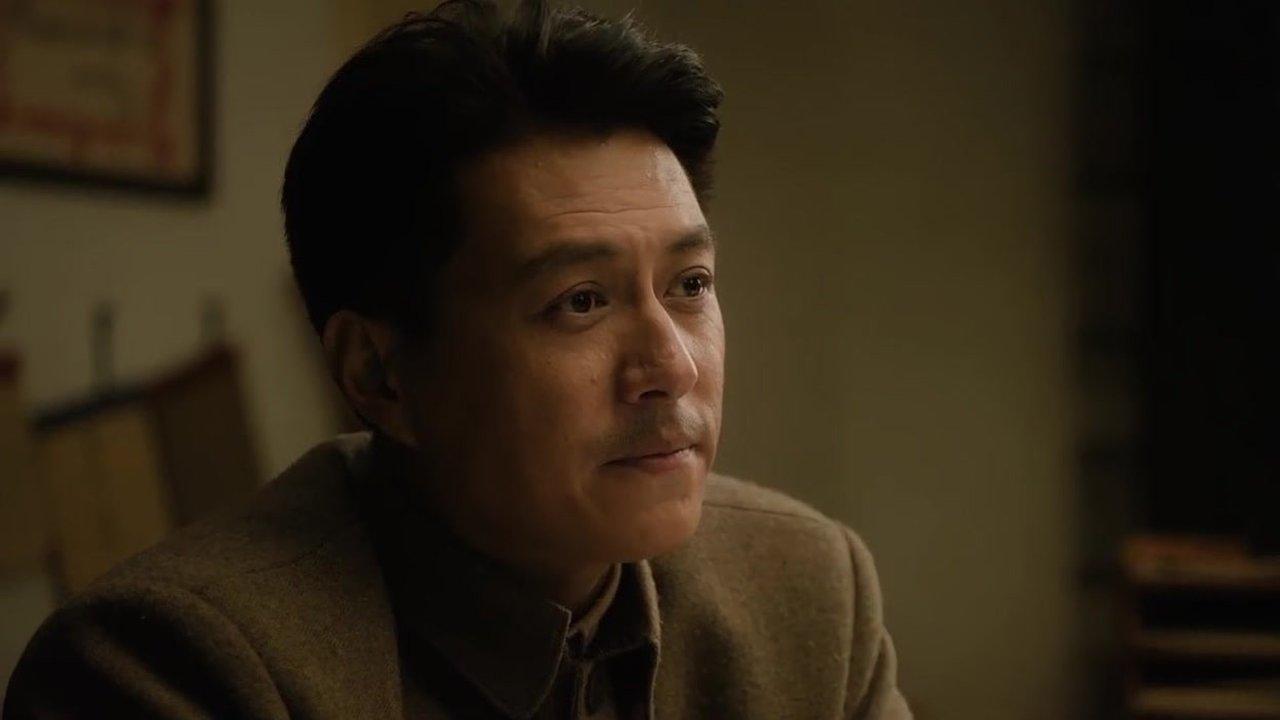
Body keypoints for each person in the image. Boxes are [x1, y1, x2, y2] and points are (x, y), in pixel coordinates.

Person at [4, 1, 910, 718]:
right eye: (580, 302)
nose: (670, 366)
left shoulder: (809, 591)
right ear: (380, 375)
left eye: (691, 284)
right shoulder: (176, 666)